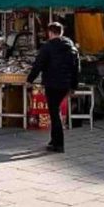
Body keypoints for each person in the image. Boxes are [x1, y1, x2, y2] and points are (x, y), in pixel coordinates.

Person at [27, 22, 80, 154]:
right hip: (65, 84)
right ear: (61, 32)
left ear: (50, 33)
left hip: (52, 83)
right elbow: (77, 68)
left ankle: (59, 144)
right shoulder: (71, 47)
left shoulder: (48, 47)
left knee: (54, 113)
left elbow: (38, 64)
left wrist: (30, 79)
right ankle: (53, 140)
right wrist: (74, 85)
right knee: (55, 111)